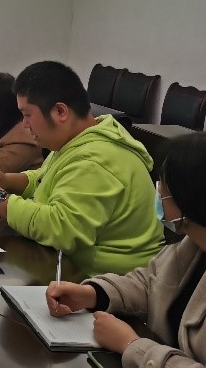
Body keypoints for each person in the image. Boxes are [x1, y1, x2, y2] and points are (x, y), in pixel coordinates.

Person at [0, 61, 163, 277]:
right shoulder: (79, 139)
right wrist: (8, 180)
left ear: (60, 111)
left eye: (27, 114)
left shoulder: (96, 160)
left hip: (105, 278)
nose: (24, 124)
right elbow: (47, 178)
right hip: (69, 264)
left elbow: (61, 229)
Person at [46, 133, 206, 366]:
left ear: (188, 196)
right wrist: (93, 294)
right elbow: (149, 283)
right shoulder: (192, 245)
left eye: (163, 184)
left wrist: (131, 345)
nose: (158, 192)